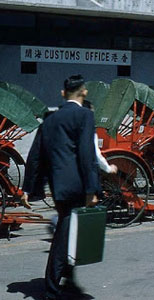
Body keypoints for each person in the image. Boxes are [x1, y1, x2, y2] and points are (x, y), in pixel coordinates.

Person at [21, 75, 100, 300]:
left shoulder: (50, 119)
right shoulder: (85, 115)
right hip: (76, 186)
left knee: (69, 230)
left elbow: (36, 154)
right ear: (84, 92)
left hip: (58, 186)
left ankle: (68, 278)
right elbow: (86, 153)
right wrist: (92, 188)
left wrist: (28, 188)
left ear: (63, 93)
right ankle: (52, 288)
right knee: (63, 236)